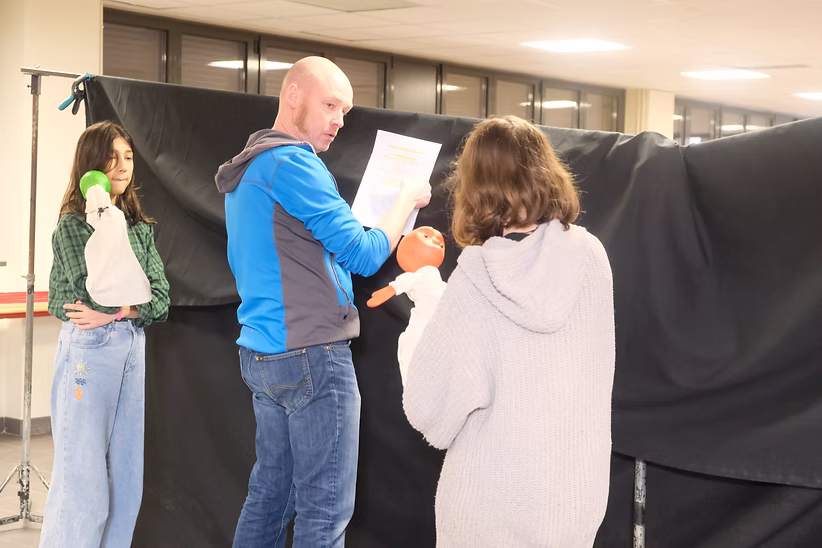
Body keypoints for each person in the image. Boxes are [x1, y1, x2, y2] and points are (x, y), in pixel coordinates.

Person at [215, 56, 431, 548]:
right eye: (330, 104)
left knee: (270, 495)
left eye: (345, 111)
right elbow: (365, 253)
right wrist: (404, 200)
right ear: (293, 95)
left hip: (264, 354)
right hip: (313, 356)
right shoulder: (292, 163)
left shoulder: (251, 166)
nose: (338, 120)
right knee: (324, 511)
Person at [402, 116, 616, 547]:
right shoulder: (592, 257)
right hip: (572, 501)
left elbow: (428, 408)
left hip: (488, 504)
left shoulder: (476, 277)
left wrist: (423, 314)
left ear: (473, 184)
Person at [40, 120, 170, 548]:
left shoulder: (139, 227)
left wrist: (124, 310)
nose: (122, 166)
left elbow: (161, 300)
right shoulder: (74, 227)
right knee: (84, 484)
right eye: (112, 157)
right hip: (89, 352)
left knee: (126, 485)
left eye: (128, 157)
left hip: (132, 347)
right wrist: (129, 305)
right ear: (91, 164)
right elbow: (87, 296)